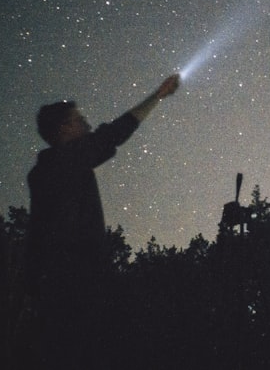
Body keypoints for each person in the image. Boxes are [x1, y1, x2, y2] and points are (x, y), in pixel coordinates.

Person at [26, 74, 180, 369]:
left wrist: (32, 285)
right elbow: (113, 134)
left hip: (58, 283)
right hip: (77, 279)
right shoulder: (66, 161)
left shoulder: (43, 172)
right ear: (64, 128)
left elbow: (36, 232)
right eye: (79, 119)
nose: (87, 124)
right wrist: (156, 96)